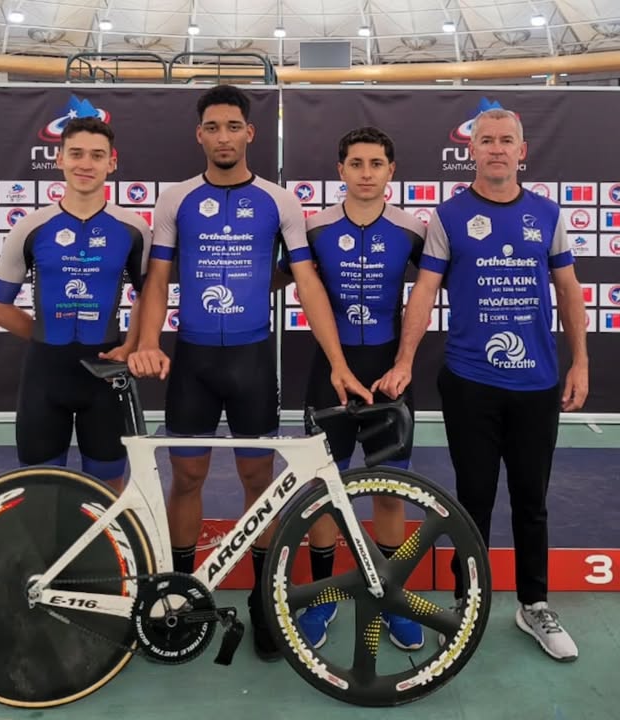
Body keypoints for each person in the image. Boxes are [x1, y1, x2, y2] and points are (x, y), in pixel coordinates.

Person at [127, 85, 372, 661]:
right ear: (199, 135)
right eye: (213, 127)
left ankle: (265, 600)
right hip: (193, 361)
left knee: (258, 482)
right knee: (186, 478)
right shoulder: (176, 199)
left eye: (233, 126)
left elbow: (306, 281)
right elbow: (157, 279)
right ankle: (181, 596)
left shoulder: (279, 202)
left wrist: (338, 363)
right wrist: (148, 342)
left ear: (249, 133)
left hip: (252, 361)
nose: (223, 137)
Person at [377, 108, 588, 662]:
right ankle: (464, 601)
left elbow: (568, 291)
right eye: (486, 140)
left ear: (522, 151)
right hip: (471, 382)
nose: (496, 148)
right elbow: (425, 292)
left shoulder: (547, 214)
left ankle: (533, 604)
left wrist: (581, 364)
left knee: (531, 500)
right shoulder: (448, 216)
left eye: (506, 140)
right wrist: (405, 360)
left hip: (537, 383)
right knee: (472, 498)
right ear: (471, 151)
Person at [276, 127, 427, 650]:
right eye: (356, 164)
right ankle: (322, 596)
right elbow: (275, 278)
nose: (366, 173)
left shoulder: (412, 229)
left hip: (389, 377)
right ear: (340, 170)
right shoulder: (314, 228)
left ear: (391, 170)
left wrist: (405, 362)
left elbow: (435, 286)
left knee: (390, 489)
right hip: (330, 374)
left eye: (376, 164)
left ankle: (388, 596)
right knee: (325, 492)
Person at [0, 117, 151, 494]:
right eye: (76, 154)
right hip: (45, 376)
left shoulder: (133, 228)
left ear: (111, 162)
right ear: (59, 159)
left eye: (97, 155)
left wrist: (130, 346)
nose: (85, 164)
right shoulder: (30, 227)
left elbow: (149, 294)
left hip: (106, 374)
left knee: (107, 489)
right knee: (40, 489)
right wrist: (45, 336)